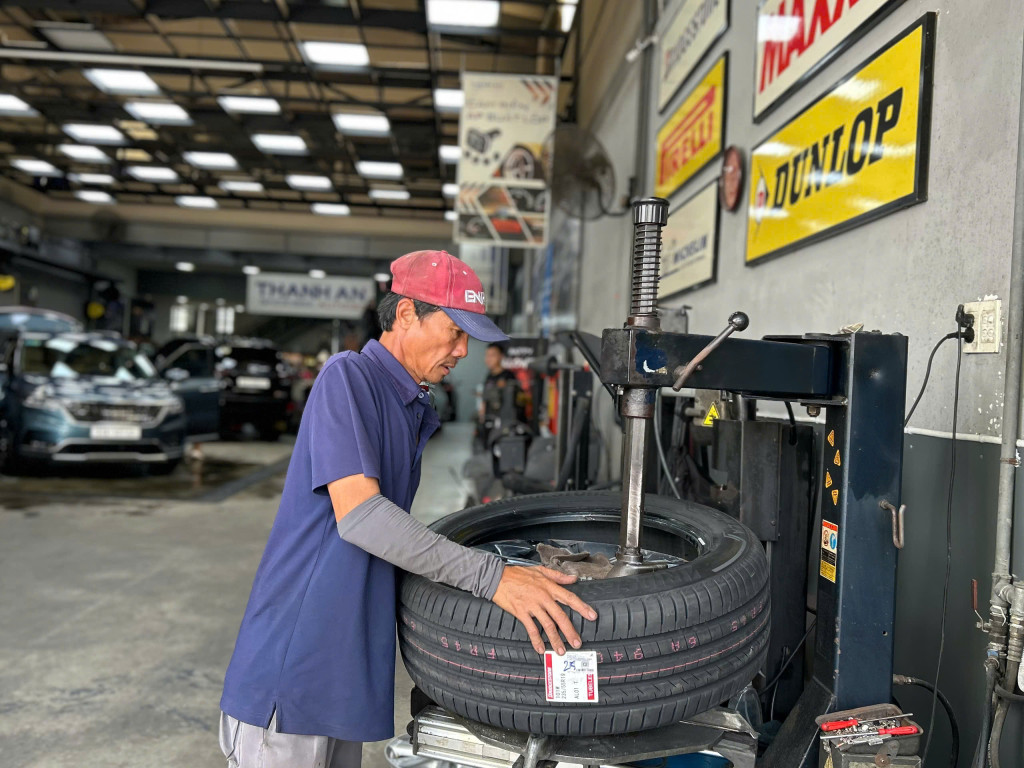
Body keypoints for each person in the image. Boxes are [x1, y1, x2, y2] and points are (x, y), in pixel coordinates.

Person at [219, 250, 596, 768]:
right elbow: (363, 517)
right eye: (455, 332)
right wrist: (493, 578)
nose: (462, 350)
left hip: (340, 675)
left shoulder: (409, 404)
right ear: (404, 314)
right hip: (293, 669)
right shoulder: (348, 378)